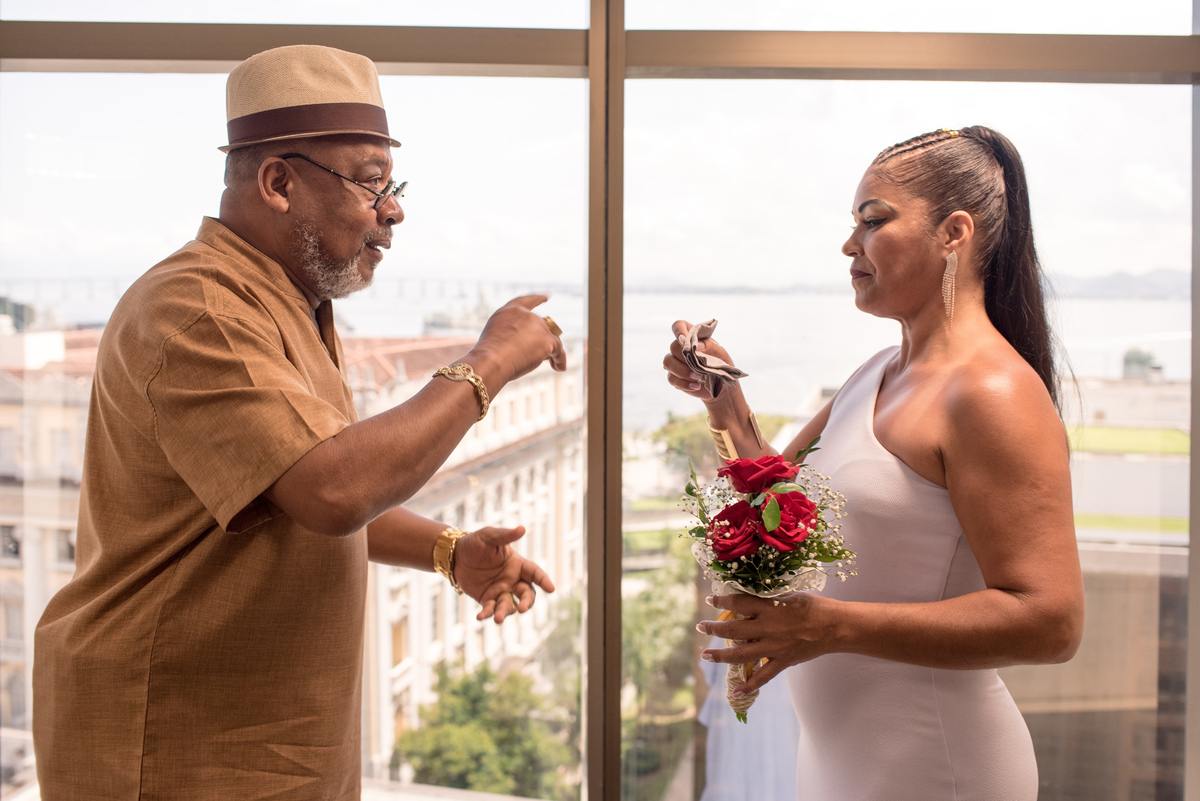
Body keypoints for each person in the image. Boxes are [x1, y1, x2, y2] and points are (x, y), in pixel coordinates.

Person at [33, 44, 565, 800]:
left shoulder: (287, 301)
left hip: (251, 734)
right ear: (278, 183)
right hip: (171, 740)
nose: (394, 210)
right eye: (371, 183)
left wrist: (449, 552)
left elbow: (287, 493)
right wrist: (490, 362)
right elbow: (332, 490)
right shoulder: (198, 309)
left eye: (394, 185)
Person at [664, 126, 1085, 800]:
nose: (849, 244)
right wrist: (726, 402)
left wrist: (829, 626)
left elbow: (1050, 621)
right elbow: (776, 500)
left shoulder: (992, 393)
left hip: (937, 767)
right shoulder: (877, 372)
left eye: (873, 220)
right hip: (840, 764)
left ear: (954, 233)